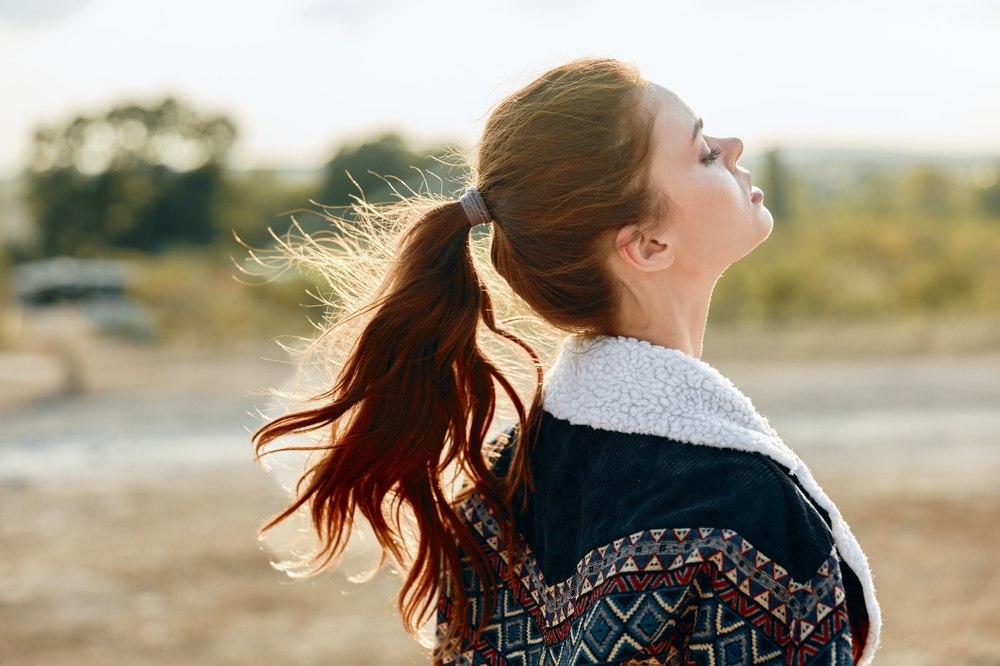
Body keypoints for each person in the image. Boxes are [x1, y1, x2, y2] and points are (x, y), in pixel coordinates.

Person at [253, 57, 880, 665]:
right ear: (647, 244)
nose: (734, 145)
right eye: (704, 154)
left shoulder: (500, 482)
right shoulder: (745, 509)